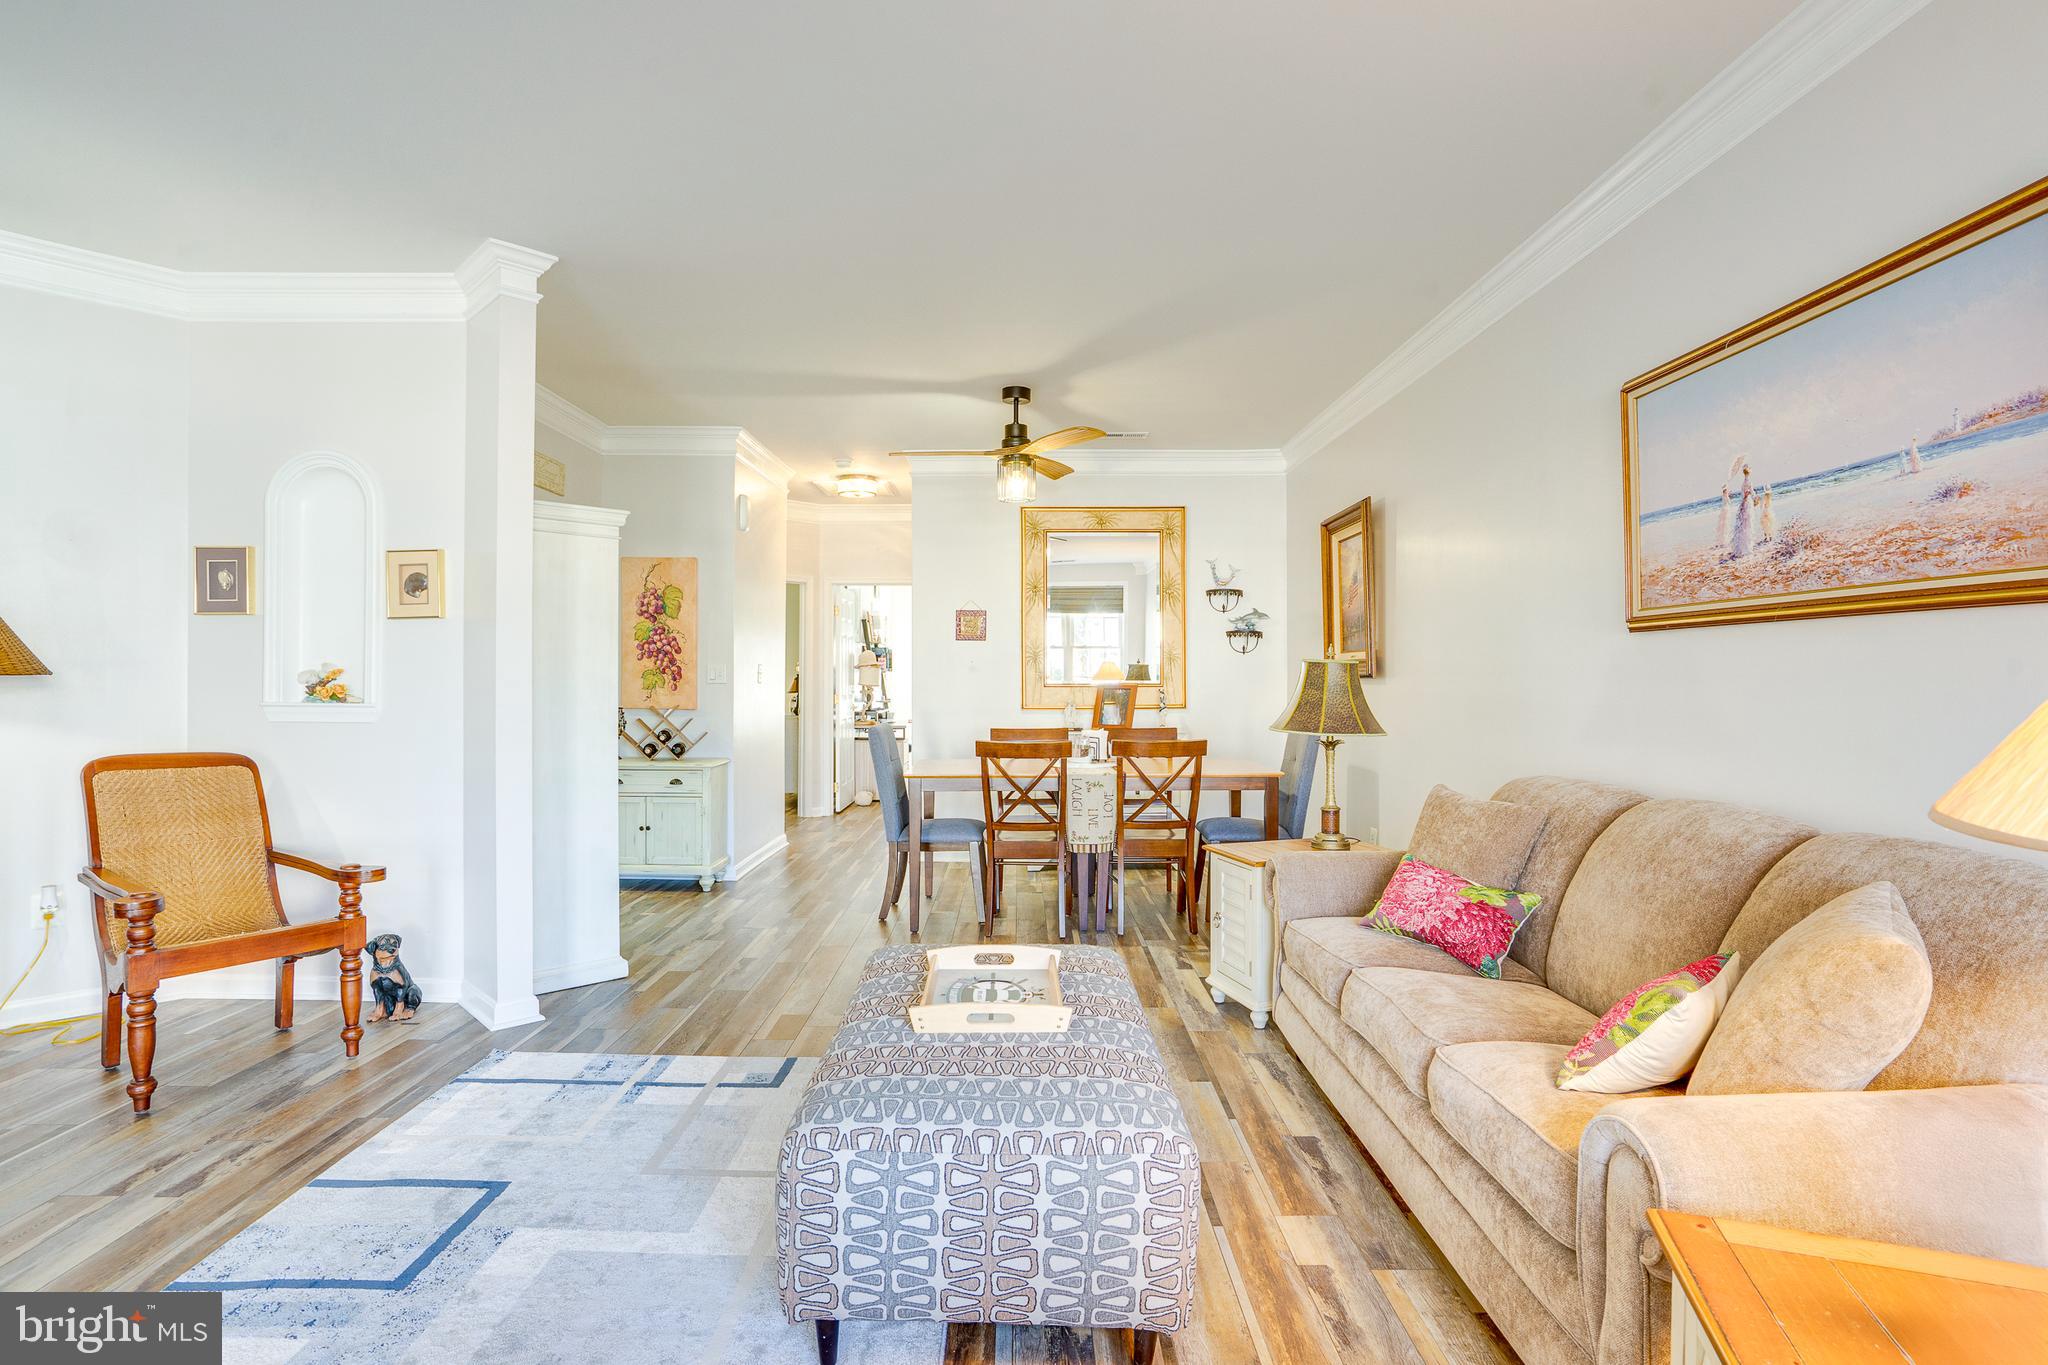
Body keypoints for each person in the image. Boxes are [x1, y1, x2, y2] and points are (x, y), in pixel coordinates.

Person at [1729, 464, 1755, 559]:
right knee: (1748, 524)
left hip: (1744, 502)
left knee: (1744, 524)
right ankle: (1747, 548)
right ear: (1749, 472)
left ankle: (1743, 547)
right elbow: (1751, 492)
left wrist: (1746, 496)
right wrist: (1755, 498)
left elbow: (1743, 495)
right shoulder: (1749, 482)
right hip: (1748, 503)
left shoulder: (1743, 482)